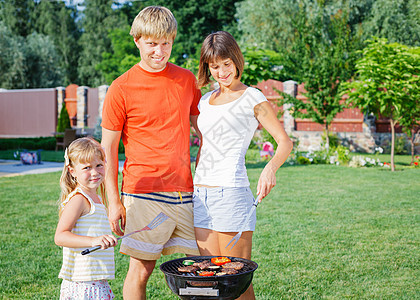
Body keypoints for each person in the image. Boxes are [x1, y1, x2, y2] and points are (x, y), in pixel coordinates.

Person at [100, 6, 201, 299]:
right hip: (143, 193)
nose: (160, 51)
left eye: (166, 43)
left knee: (200, 270)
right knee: (141, 271)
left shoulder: (186, 81)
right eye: (152, 43)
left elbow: (203, 131)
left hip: (186, 192)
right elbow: (107, 149)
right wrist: (113, 202)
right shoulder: (121, 88)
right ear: (137, 41)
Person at [193, 31, 293, 300]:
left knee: (235, 281)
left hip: (231, 193)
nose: (222, 71)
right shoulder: (205, 101)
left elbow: (284, 142)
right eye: (214, 66)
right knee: (211, 281)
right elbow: (205, 145)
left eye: (226, 64)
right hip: (200, 195)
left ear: (236, 60)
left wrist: (270, 168)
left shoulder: (252, 97)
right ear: (207, 67)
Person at [55, 137, 118, 300]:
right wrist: (93, 240)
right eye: (87, 168)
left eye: (99, 165)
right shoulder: (78, 199)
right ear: (72, 171)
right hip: (82, 284)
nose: (95, 172)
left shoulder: (96, 198)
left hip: (96, 279)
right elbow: (60, 236)